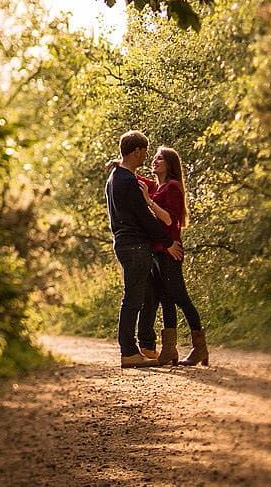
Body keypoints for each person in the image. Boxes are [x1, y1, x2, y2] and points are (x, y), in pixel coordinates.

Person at [104, 131, 166, 367]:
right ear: (137, 151)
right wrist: (167, 242)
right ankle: (129, 351)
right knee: (133, 299)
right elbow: (145, 217)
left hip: (127, 243)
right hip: (135, 244)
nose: (147, 156)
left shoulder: (116, 177)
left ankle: (146, 345)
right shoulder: (126, 180)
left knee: (147, 294)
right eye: (145, 151)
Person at [142, 147, 207, 367]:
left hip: (170, 251)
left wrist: (149, 202)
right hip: (158, 252)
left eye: (159, 158)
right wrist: (117, 164)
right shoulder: (157, 186)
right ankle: (169, 349)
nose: (154, 161)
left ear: (170, 163)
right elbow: (137, 178)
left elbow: (169, 220)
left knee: (181, 298)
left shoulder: (172, 187)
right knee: (166, 299)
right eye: (154, 158)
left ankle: (200, 347)